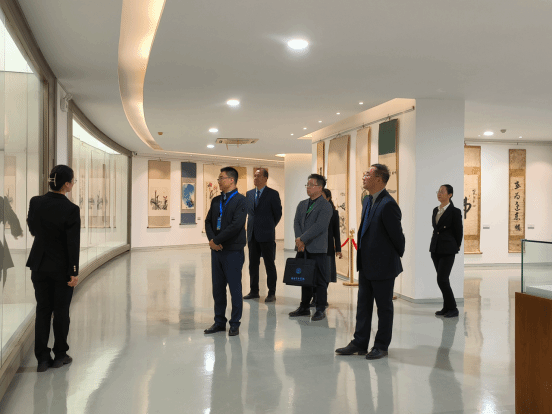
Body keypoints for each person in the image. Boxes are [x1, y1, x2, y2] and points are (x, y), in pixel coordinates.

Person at [336, 164, 405, 360]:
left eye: (367, 174)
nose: (364, 177)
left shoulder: (388, 204)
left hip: (383, 266)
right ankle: (359, 342)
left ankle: (381, 346)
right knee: (363, 306)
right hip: (366, 264)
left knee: (384, 308)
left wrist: (390, 258)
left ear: (379, 179)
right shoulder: (367, 200)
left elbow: (398, 238)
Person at [26, 165, 80, 372]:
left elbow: (33, 229)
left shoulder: (35, 202)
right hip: (61, 268)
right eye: (73, 181)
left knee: (43, 310)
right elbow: (72, 243)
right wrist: (73, 271)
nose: (73, 184)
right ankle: (60, 355)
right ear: (66, 184)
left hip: (39, 265)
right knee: (61, 311)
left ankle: (42, 359)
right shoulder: (71, 209)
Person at [204, 167, 247, 336]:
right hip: (217, 252)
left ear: (231, 180)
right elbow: (208, 221)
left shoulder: (241, 200)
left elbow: (236, 226)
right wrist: (212, 241)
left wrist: (217, 240)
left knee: (235, 288)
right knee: (218, 289)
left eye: (221, 178)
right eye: (219, 178)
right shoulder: (216, 200)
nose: (219, 181)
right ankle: (219, 322)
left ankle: (235, 323)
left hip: (233, 251)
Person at [289, 173, 333, 321]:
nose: (308, 187)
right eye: (307, 185)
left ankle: (320, 309)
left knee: (320, 280)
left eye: (311, 185)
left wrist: (302, 239)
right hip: (302, 248)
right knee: (304, 278)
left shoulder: (325, 206)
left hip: (317, 248)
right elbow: (296, 222)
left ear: (320, 188)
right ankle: (304, 307)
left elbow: (320, 226)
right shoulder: (302, 204)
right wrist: (298, 239)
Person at [243, 168, 282, 302]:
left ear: (265, 178)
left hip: (266, 235)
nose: (255, 178)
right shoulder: (249, 194)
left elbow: (278, 214)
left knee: (269, 264)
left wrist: (269, 226)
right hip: (252, 234)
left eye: (258, 176)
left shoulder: (273, 194)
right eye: (254, 175)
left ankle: (271, 292)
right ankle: (254, 291)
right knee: (252, 265)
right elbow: (249, 213)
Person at [430, 184, 463, 318]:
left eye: (442, 191)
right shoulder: (435, 210)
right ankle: (446, 307)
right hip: (435, 248)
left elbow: (459, 231)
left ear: (450, 195)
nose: (439, 193)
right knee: (443, 279)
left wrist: (457, 246)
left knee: (442, 279)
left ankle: (453, 308)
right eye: (438, 191)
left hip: (448, 249)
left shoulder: (455, 211)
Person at [310, 188, 341, 307]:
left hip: (327, 248)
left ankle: (321, 297)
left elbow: (336, 233)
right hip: (314, 247)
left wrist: (338, 249)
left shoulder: (334, 213)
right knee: (313, 273)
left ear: (328, 198)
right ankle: (315, 297)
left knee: (326, 274)